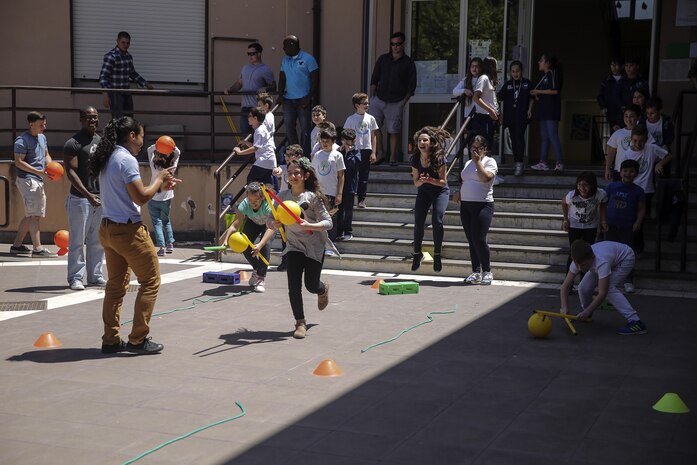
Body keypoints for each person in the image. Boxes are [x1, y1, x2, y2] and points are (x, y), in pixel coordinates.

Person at [90, 116, 180, 355]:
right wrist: (159, 178)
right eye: (141, 136)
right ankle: (138, 339)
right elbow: (140, 198)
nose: (142, 142)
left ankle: (110, 339)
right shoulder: (126, 159)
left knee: (115, 286)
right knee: (150, 281)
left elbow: (130, 193)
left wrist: (159, 187)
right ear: (131, 135)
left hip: (108, 228)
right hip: (128, 231)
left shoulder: (108, 156)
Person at [270, 157, 333, 339]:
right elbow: (270, 218)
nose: (293, 176)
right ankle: (300, 322)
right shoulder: (282, 197)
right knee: (293, 286)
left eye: (297, 173)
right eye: (290, 173)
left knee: (311, 285)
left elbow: (328, 222)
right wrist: (272, 223)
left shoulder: (312, 198)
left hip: (314, 246)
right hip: (293, 246)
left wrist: (310, 226)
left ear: (305, 175)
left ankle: (322, 289)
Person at [560, 239, 647, 335]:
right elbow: (565, 286)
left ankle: (636, 322)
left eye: (583, 265)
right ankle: (587, 313)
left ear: (592, 258)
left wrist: (588, 311)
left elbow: (602, 293)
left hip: (625, 258)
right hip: (609, 258)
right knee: (583, 287)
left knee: (609, 288)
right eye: (577, 265)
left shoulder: (601, 262)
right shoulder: (579, 260)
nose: (580, 268)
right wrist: (564, 307)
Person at [64, 106, 105, 290]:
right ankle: (75, 278)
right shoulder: (73, 143)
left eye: (95, 117)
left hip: (99, 198)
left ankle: (95, 276)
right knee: (77, 241)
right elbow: (71, 173)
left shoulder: (101, 140)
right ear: (81, 119)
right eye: (89, 118)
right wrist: (88, 195)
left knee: (97, 241)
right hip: (80, 199)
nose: (93, 121)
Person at [11, 111, 57, 258]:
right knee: (35, 215)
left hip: (38, 179)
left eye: (44, 124)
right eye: (40, 125)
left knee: (31, 215)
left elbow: (46, 154)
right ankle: (38, 249)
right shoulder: (22, 140)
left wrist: (50, 167)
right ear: (31, 124)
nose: (43, 127)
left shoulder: (42, 138)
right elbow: (19, 162)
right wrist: (39, 172)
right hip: (28, 180)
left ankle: (17, 246)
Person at [455, 135, 497, 285]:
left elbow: (486, 178)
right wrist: (460, 192)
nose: (475, 151)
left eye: (479, 148)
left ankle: (487, 271)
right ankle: (475, 271)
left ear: (484, 149)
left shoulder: (489, 161)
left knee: (479, 239)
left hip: (483, 205)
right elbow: (465, 180)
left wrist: (478, 161)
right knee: (471, 239)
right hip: (466, 205)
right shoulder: (467, 163)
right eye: (473, 148)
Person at [369, 32, 417, 165]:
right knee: (374, 127)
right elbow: (374, 78)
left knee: (393, 130)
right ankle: (380, 153)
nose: (395, 47)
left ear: (403, 44)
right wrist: (372, 97)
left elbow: (411, 84)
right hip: (379, 99)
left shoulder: (408, 62)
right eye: (392, 44)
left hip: (397, 101)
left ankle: (393, 158)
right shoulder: (383, 59)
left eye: (398, 44)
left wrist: (404, 101)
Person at [221, 182, 275, 292]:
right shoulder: (245, 205)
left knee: (265, 246)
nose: (252, 203)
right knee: (244, 244)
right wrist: (226, 241)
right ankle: (256, 269)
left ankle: (261, 278)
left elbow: (270, 229)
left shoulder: (268, 206)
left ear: (262, 198)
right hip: (253, 222)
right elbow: (235, 225)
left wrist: (259, 245)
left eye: (256, 201)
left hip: (268, 225)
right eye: (250, 200)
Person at [410, 127, 450, 273]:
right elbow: (415, 182)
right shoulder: (415, 158)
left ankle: (437, 254)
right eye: (420, 140)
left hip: (440, 191)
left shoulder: (439, 157)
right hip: (424, 190)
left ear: (431, 143)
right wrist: (421, 181)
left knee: (436, 220)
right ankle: (417, 253)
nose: (422, 142)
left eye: (425, 140)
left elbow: (442, 182)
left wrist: (430, 179)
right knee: (418, 220)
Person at [603, 159, 645, 293]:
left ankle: (628, 280)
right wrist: (602, 221)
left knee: (628, 254)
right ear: (620, 172)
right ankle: (606, 280)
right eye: (625, 171)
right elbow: (602, 204)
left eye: (631, 171)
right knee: (608, 254)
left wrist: (638, 222)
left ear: (636, 173)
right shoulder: (611, 187)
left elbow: (641, 209)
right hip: (610, 226)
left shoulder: (638, 191)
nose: (628, 173)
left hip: (628, 227)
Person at [277, 35, 319, 156]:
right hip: (288, 100)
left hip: (303, 99)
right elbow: (282, 78)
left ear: (292, 45)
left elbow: (315, 80)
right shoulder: (285, 60)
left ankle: (305, 154)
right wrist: (280, 94)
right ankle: (295, 153)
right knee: (289, 126)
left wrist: (309, 96)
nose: (283, 49)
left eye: (285, 46)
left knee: (305, 127)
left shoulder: (308, 59)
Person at [561, 171, 607, 280]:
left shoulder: (600, 194)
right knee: (573, 252)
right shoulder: (572, 195)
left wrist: (603, 221)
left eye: (586, 185)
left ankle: (584, 280)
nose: (582, 188)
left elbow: (603, 204)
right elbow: (563, 203)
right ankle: (569, 281)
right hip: (574, 226)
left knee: (588, 252)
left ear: (593, 185)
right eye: (580, 185)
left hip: (590, 227)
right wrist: (565, 220)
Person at [224, 42, 276, 137]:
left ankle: (256, 152)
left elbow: (274, 86)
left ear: (259, 53)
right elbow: (239, 83)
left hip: (258, 109)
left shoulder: (265, 69)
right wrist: (230, 89)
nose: (250, 56)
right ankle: (246, 152)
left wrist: (265, 88)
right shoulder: (245, 67)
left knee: (258, 135)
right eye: (248, 54)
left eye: (252, 53)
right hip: (245, 108)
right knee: (245, 135)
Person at [99, 31, 153, 119]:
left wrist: (145, 84)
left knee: (129, 119)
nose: (125, 45)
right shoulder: (111, 56)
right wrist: (105, 94)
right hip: (116, 94)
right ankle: (118, 133)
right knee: (118, 120)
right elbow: (104, 76)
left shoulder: (128, 56)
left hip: (127, 93)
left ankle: (128, 133)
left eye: (128, 43)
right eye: (123, 42)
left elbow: (132, 73)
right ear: (117, 41)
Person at [343, 92, 379, 209]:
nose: (367, 105)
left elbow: (373, 135)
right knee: (352, 174)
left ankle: (361, 198)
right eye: (364, 103)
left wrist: (373, 152)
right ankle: (350, 197)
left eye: (368, 103)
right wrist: (347, 147)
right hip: (354, 149)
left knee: (364, 175)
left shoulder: (371, 118)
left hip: (366, 149)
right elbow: (345, 135)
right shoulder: (351, 119)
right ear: (357, 105)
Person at [498, 60, 533, 176]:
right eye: (513, 72)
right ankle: (516, 160)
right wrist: (500, 114)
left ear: (521, 71)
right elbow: (498, 98)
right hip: (510, 116)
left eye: (517, 71)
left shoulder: (527, 83)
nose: (515, 74)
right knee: (513, 139)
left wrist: (530, 109)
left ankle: (519, 163)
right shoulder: (508, 84)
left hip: (522, 115)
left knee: (519, 137)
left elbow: (532, 97)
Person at [147, 140, 181, 257]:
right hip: (167, 199)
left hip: (153, 199)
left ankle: (161, 247)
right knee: (166, 220)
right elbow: (178, 153)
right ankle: (170, 244)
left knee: (157, 223)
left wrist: (157, 145)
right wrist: (172, 146)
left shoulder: (154, 167)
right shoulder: (172, 167)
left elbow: (149, 150)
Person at [311, 128, 345, 243]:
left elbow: (341, 176)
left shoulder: (337, 155)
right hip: (319, 192)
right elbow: (314, 173)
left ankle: (331, 241)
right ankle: (319, 241)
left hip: (332, 191)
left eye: (328, 141)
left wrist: (339, 193)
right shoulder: (317, 155)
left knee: (331, 217)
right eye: (323, 141)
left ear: (333, 141)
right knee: (317, 216)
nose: (325, 143)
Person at [530, 53, 563, 172]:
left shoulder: (552, 73)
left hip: (551, 110)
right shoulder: (544, 76)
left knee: (553, 135)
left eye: (541, 60)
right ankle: (542, 162)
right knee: (544, 137)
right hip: (543, 110)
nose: (539, 62)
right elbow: (545, 92)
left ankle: (559, 162)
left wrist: (539, 91)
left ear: (548, 63)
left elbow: (555, 91)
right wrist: (538, 94)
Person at [232, 107, 277, 185]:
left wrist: (240, 152)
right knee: (265, 184)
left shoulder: (259, 130)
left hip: (264, 160)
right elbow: (258, 146)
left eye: (250, 116)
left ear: (255, 118)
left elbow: (255, 148)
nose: (248, 118)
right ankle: (265, 197)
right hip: (269, 161)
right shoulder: (261, 129)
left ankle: (255, 197)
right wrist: (246, 142)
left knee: (251, 180)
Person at [605, 105, 648, 181]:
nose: (628, 119)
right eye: (626, 116)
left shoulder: (644, 132)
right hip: (619, 170)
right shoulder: (618, 133)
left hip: (637, 171)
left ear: (638, 117)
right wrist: (607, 168)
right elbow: (611, 152)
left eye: (631, 116)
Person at [336, 128, 361, 241]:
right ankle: (339, 231)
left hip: (350, 186)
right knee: (339, 210)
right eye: (344, 140)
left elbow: (354, 165)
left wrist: (349, 152)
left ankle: (348, 230)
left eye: (349, 141)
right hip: (338, 185)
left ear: (353, 141)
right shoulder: (338, 151)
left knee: (348, 210)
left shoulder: (356, 151)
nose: (346, 143)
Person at [597, 57, 625, 132]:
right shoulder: (606, 80)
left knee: (624, 133)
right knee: (613, 135)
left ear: (622, 66)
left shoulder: (625, 79)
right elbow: (600, 95)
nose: (613, 67)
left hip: (624, 112)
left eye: (616, 65)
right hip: (611, 112)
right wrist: (603, 107)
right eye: (612, 65)